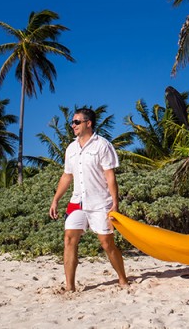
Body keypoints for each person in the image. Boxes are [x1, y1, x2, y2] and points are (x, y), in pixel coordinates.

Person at [49, 107, 128, 290]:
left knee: (107, 243)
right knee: (69, 238)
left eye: (76, 122)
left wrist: (115, 204)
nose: (73, 125)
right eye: (72, 122)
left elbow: (110, 176)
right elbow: (67, 176)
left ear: (88, 123)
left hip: (100, 202)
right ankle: (70, 286)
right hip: (77, 202)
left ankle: (122, 279)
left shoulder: (102, 145)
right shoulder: (71, 148)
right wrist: (55, 200)